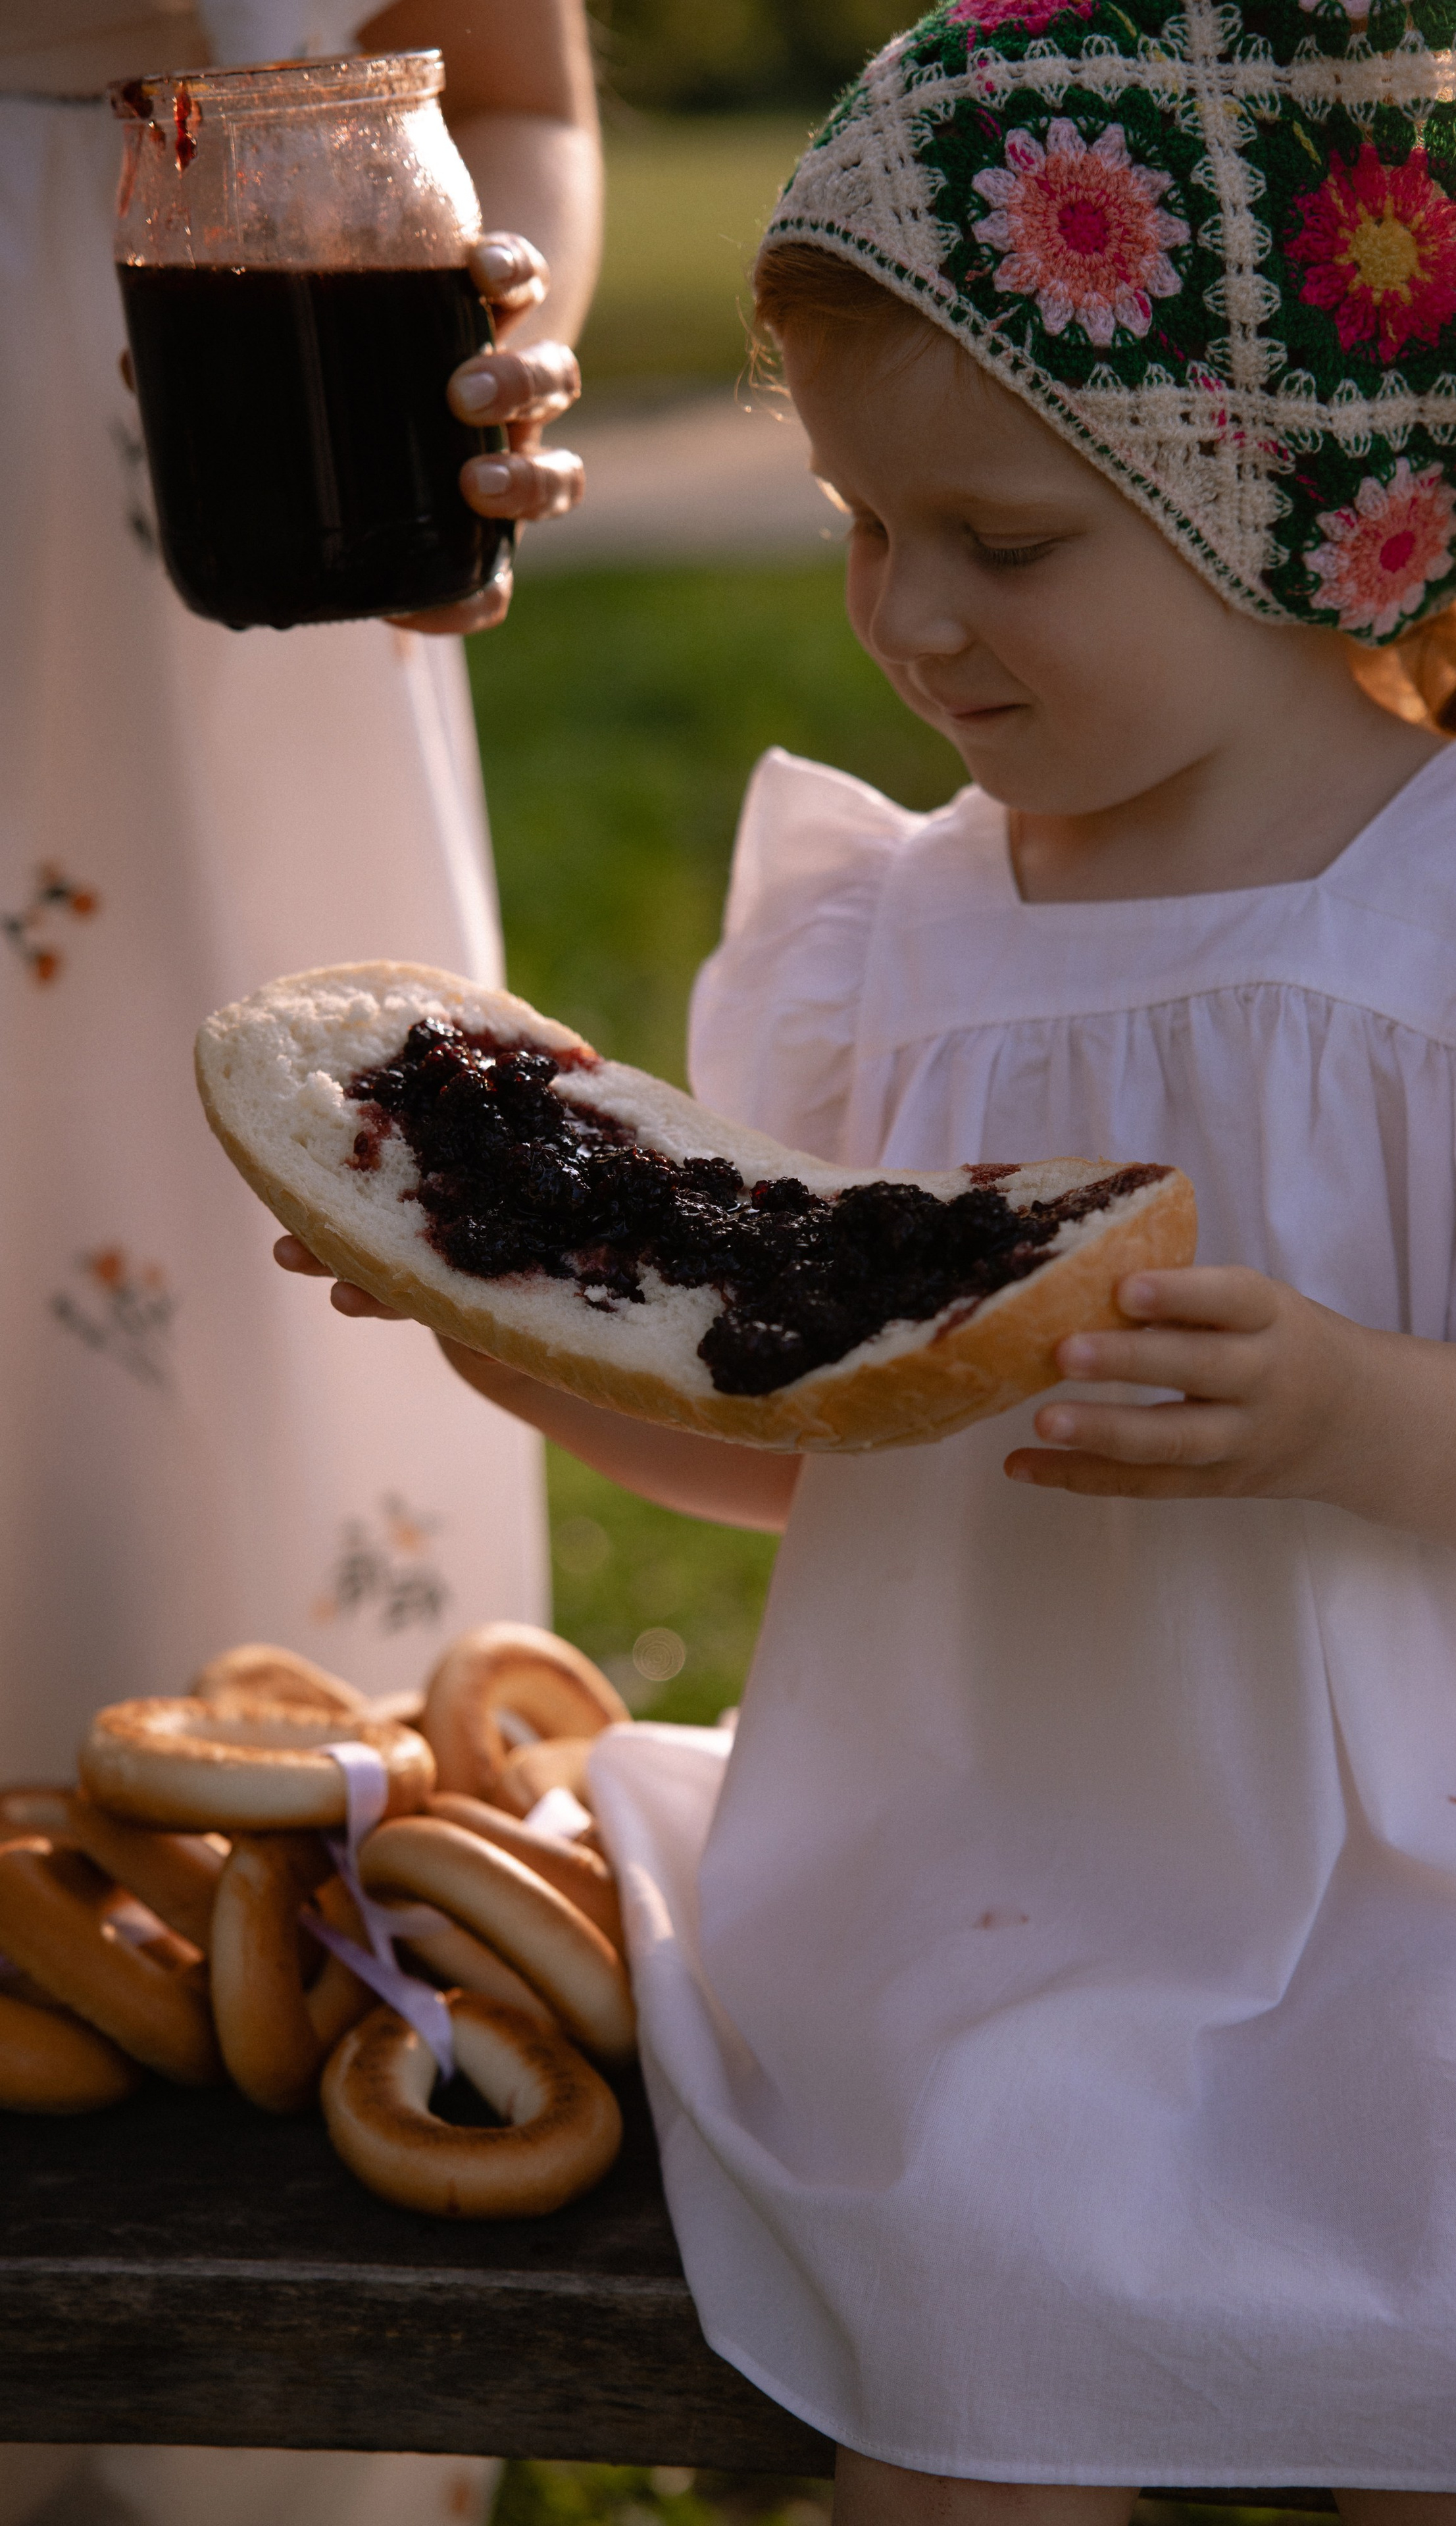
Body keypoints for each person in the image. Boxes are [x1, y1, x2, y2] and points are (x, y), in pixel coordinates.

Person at [282, 0, 1456, 2518]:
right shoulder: (892, 945)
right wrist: (499, 1331)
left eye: (1004, 544)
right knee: (979, 2397)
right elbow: (807, 1455)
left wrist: (1364, 1412)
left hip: (1433, 1897)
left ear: (1295, 503)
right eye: (858, 523)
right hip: (990, 1895)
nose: (907, 617)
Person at [1, 5, 596, 2523]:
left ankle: (271, 2412)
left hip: (261, 544)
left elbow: (510, 87)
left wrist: (495, 337)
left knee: (260, 1351)